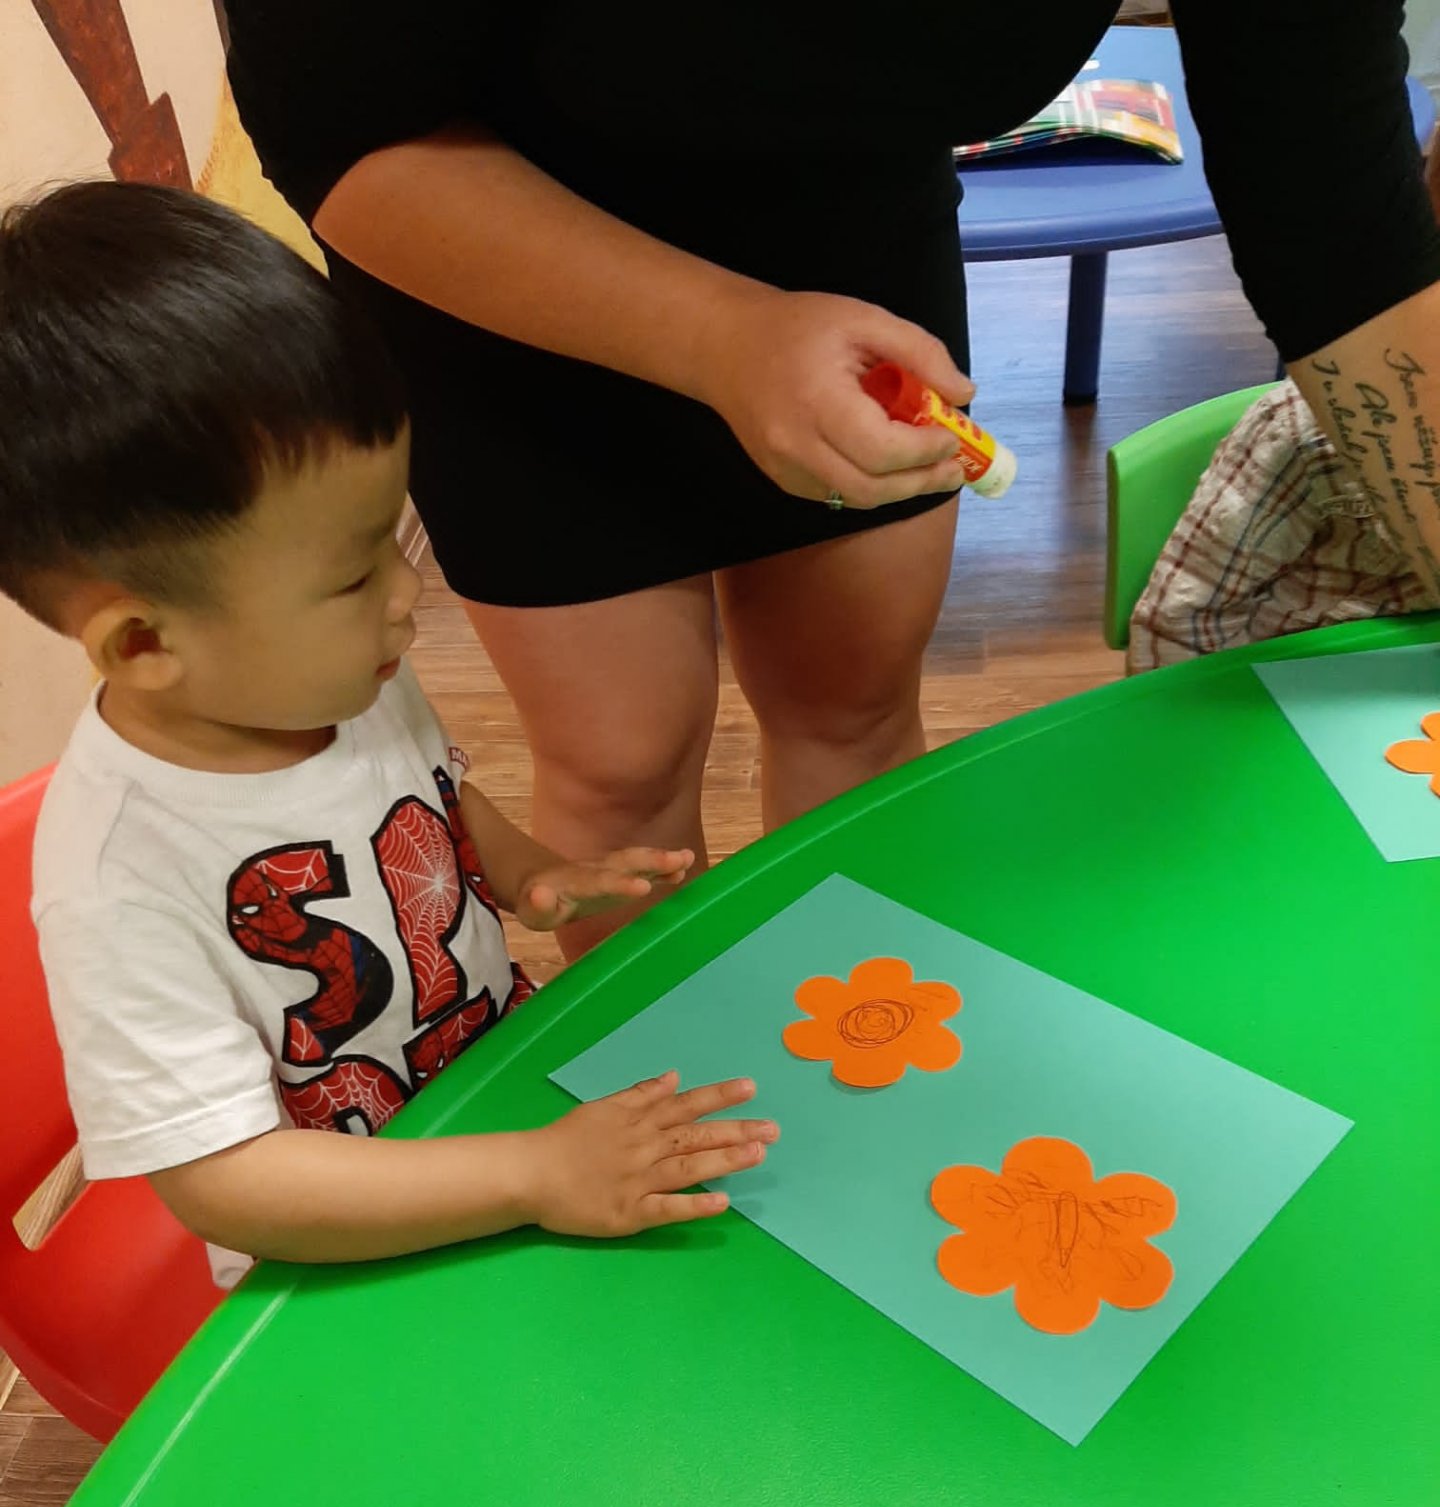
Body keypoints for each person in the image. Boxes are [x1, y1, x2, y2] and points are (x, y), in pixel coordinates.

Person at [223, 2, 1440, 956]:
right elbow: (338, 124)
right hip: (498, 253)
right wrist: (717, 336)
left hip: (850, 227)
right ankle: (663, 1096)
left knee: (852, 706)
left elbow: (1336, 200)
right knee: (620, 759)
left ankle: (865, 1032)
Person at [0, 183, 777, 1269]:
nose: (410, 594)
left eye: (391, 542)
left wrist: (528, 874)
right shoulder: (119, 879)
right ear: (142, 645)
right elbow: (229, 1183)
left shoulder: (336, 678)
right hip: (349, 1248)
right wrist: (533, 1176)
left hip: (499, 1109)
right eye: (356, 573)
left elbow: (429, 795)